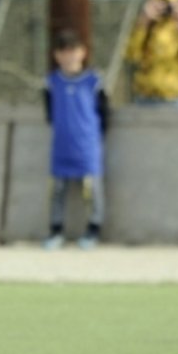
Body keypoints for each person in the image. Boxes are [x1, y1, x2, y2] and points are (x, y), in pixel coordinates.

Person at [42, 29, 109, 250]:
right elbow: (49, 113)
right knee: (57, 189)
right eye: (64, 52)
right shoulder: (51, 82)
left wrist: (95, 136)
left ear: (82, 53)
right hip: (61, 144)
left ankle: (93, 229)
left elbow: (104, 113)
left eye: (73, 51)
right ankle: (56, 230)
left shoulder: (94, 81)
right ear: (57, 55)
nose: (69, 56)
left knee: (91, 189)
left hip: (87, 144)